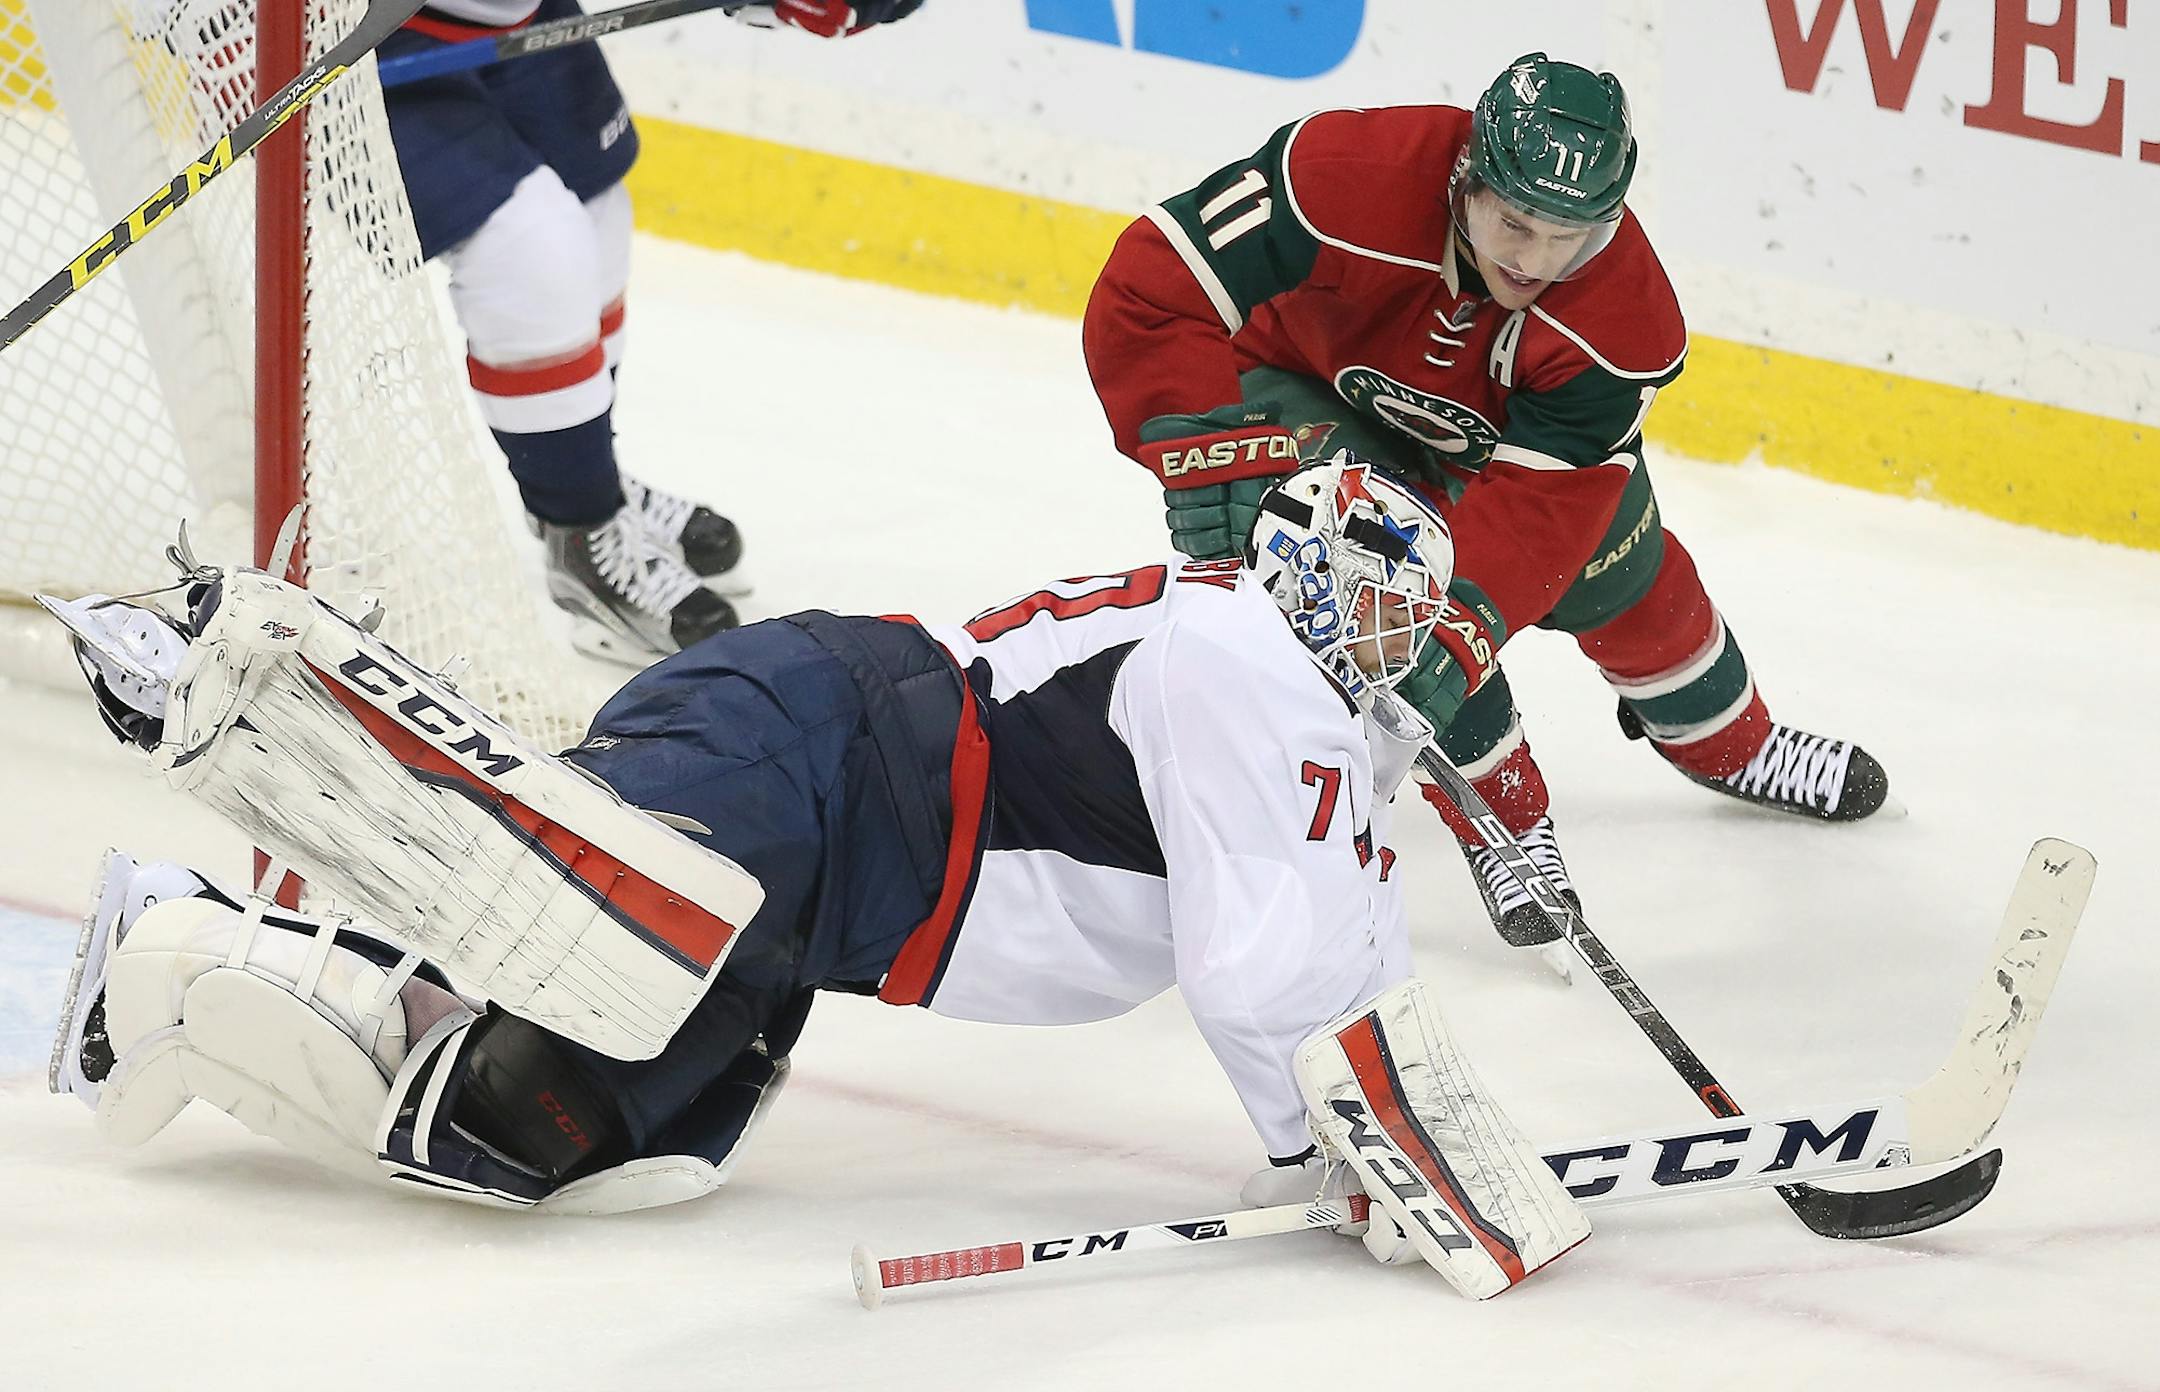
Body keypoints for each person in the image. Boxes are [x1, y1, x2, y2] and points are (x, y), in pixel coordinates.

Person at [41, 454, 1588, 1300]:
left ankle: (159, 969)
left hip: (833, 871)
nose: (1398, 653)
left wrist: (1370, 1137)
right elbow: (1267, 976)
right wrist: (1332, 1153)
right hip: (819, 757)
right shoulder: (1247, 657)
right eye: (1375, 617)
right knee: (555, 902)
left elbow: (1331, 950)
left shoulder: (1320, 708)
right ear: (1307, 580)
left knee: (522, 1134)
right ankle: (240, 672)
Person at [1081, 52, 1889, 947]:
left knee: (1619, 578)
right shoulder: (1344, 176)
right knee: (1371, 579)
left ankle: (1735, 744)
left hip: (1505, 445)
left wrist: (1463, 628)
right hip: (1305, 386)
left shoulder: (1624, 319)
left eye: (1567, 237)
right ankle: (1504, 820)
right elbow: (1157, 284)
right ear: (1467, 178)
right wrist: (1205, 450)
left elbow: (1543, 511)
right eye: (1514, 223)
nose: (1534, 261)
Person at [373, 0, 925, 663]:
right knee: (530, 247)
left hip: (483, 8)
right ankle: (584, 536)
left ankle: (580, 484)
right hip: (327, 30)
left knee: (595, 204)